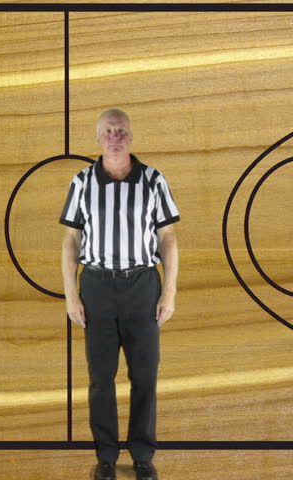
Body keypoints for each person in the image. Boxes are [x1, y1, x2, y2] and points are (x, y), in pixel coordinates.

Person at [60, 109, 180, 480]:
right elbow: (71, 240)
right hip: (97, 286)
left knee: (144, 375)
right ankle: (106, 457)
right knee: (101, 378)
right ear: (98, 137)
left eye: (121, 131)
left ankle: (143, 456)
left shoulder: (153, 179)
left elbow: (167, 237)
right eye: (109, 131)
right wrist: (71, 295)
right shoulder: (82, 182)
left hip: (142, 285)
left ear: (131, 136)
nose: (115, 137)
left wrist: (169, 291)